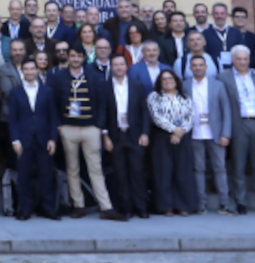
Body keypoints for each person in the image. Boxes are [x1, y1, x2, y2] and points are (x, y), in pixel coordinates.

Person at [50, 44, 124, 220]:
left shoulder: (95, 77)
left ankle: (106, 207)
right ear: (68, 57)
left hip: (91, 128)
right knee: (72, 169)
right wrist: (59, 125)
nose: (75, 59)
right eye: (73, 56)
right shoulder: (58, 77)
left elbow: (103, 103)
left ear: (84, 58)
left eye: (78, 56)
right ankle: (78, 205)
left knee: (96, 169)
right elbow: (52, 103)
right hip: (68, 128)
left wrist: (99, 125)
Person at [221, 45, 255, 215]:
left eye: (245, 59)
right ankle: (240, 202)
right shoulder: (224, 78)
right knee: (238, 165)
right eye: (239, 59)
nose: (242, 62)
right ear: (232, 60)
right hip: (238, 123)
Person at [8, 58, 59, 220]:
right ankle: (25, 209)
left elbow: (53, 117)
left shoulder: (47, 91)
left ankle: (47, 208)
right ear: (22, 72)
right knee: (24, 176)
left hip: (44, 139)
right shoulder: (15, 92)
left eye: (32, 69)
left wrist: (53, 139)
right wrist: (15, 140)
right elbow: (12, 119)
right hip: (24, 140)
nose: (29, 72)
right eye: (26, 69)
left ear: (37, 70)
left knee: (46, 175)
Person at [183, 54, 233, 216]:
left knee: (220, 168)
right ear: (190, 68)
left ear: (206, 67)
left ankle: (224, 204)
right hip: (194, 133)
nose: (197, 67)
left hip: (216, 133)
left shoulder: (218, 85)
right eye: (194, 65)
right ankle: (201, 205)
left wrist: (226, 133)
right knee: (198, 169)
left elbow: (226, 110)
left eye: (200, 65)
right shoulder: (185, 86)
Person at [102, 54, 149, 219]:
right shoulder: (105, 87)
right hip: (115, 136)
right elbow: (103, 113)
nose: (119, 67)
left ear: (126, 66)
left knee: (137, 172)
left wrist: (145, 132)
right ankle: (126, 208)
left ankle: (141, 208)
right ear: (111, 67)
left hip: (134, 135)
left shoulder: (137, 86)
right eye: (115, 65)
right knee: (120, 174)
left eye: (121, 64)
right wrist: (105, 136)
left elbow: (144, 111)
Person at [147, 68, 197, 216]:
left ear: (176, 81)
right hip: (162, 137)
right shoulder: (154, 96)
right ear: (160, 82)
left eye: (171, 79)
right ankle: (166, 206)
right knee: (164, 172)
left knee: (183, 172)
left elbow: (190, 116)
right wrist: (173, 130)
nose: (168, 81)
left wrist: (180, 132)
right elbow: (156, 117)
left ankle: (182, 205)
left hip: (182, 137)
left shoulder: (185, 97)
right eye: (164, 79)